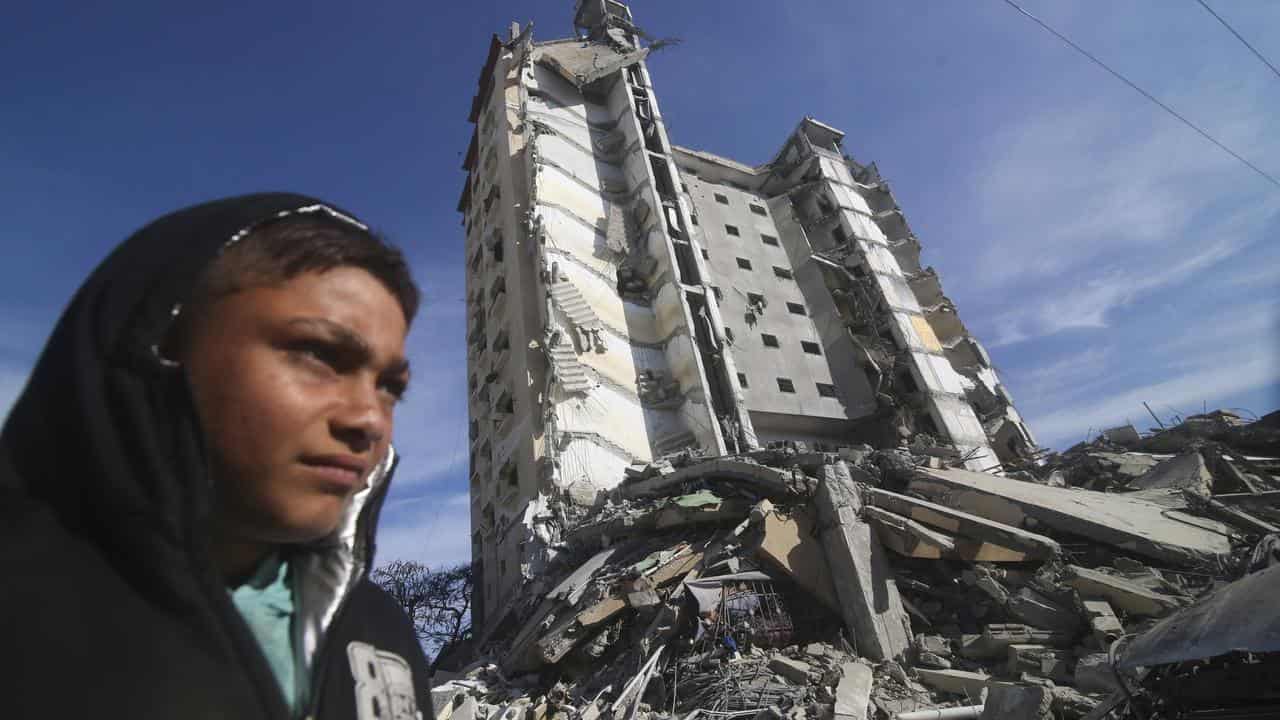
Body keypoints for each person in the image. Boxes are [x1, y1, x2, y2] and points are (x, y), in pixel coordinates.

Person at [0, 193, 431, 719]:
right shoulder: (23, 611)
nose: (368, 419)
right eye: (318, 354)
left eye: (391, 387)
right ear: (160, 346)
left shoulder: (378, 634)